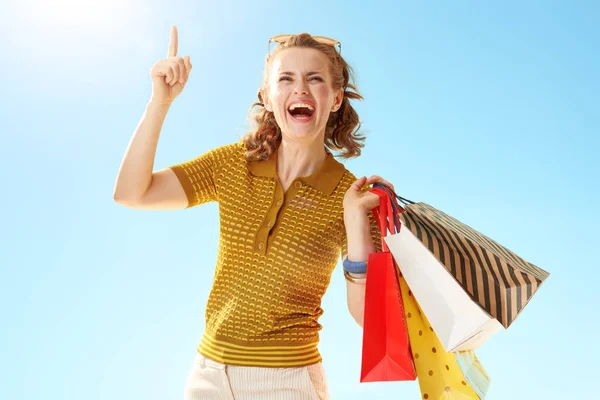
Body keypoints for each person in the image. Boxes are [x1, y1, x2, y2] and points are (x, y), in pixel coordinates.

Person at [113, 26, 395, 400]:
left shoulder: (350, 197)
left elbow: (368, 318)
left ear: (336, 98)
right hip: (207, 376)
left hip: (286, 382)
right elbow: (132, 193)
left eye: (315, 79)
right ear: (267, 94)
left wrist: (357, 225)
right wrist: (160, 102)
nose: (300, 90)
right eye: (286, 79)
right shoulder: (232, 164)